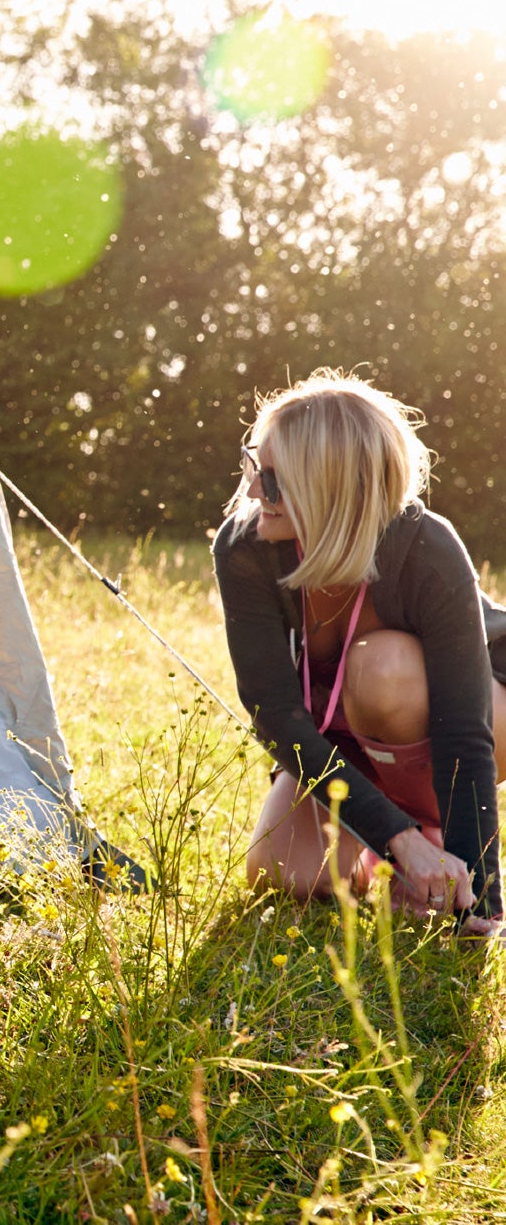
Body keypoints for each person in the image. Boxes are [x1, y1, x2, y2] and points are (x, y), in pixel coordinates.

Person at [217, 371, 506, 935]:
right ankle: (406, 856)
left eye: (272, 481)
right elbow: (275, 715)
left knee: (382, 666)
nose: (253, 493)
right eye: (254, 468)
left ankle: (441, 850)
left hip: (475, 720)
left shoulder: (426, 545)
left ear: (328, 486)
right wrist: (395, 839)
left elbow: (464, 730)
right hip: (350, 740)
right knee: (282, 873)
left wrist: (482, 900)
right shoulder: (244, 547)